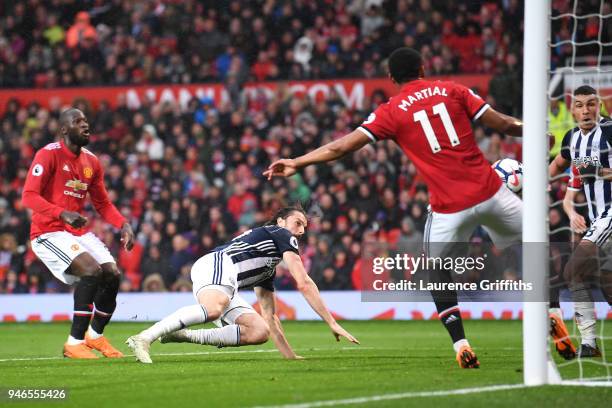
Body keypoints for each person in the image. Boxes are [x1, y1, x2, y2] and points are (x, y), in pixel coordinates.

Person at [265, 47, 524, 368]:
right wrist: (537, 131)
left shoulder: (391, 110)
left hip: (448, 206)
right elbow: (504, 124)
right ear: (424, 68)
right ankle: (554, 313)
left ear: (391, 78)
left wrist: (297, 162)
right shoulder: (453, 89)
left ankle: (461, 343)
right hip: (490, 189)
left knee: (437, 272)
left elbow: (341, 146)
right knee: (539, 245)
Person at [126, 206, 359, 364]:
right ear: (280, 221)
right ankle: (144, 337)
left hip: (224, 280)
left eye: (304, 227)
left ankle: (183, 335)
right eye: (298, 223)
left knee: (259, 331)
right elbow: (304, 282)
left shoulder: (268, 265)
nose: (301, 230)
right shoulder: (280, 233)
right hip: (219, 263)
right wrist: (331, 321)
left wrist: (291, 357)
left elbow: (271, 316)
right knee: (214, 309)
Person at [22, 108, 135, 359]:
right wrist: (61, 213)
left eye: (86, 121)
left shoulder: (91, 161)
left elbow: (103, 203)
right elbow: (28, 196)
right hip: (48, 232)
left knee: (112, 274)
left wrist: (123, 224)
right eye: (78, 121)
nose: (85, 125)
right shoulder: (48, 155)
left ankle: (94, 338)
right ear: (64, 129)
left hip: (77, 232)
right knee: (91, 271)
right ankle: (74, 343)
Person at [549, 85, 612, 357]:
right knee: (607, 283)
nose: (585, 110)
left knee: (572, 271)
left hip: (610, 213)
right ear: (572, 110)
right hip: (596, 218)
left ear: (599, 106)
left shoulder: (609, 131)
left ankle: (588, 343)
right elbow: (557, 171)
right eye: (579, 105)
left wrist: (599, 170)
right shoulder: (571, 139)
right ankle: (590, 344)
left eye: (590, 104)